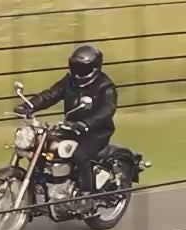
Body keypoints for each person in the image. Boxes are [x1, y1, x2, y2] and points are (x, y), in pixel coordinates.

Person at [27, 41, 124, 188]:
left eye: (83, 68)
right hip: (70, 128)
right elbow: (51, 94)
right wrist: (30, 105)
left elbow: (107, 110)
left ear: (94, 68)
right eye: (76, 67)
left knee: (79, 154)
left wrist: (86, 123)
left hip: (96, 133)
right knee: (44, 147)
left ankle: (86, 196)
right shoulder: (69, 81)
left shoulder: (105, 86)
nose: (78, 72)